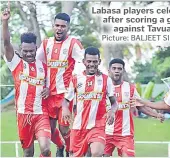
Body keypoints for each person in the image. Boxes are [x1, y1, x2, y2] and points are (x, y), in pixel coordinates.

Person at [2, 6, 51, 157]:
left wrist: (48, 90)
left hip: (41, 114)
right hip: (23, 115)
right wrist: (5, 22)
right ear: (21, 50)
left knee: (46, 149)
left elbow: (48, 86)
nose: (29, 54)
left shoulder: (43, 67)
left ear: (36, 49)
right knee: (28, 153)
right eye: (25, 51)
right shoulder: (15, 63)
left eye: (31, 51)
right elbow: (6, 43)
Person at [36, 12, 84, 156]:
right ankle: (61, 145)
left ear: (68, 28)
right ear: (53, 26)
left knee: (64, 129)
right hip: (49, 95)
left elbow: (83, 63)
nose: (59, 29)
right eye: (57, 25)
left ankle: (70, 150)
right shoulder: (46, 43)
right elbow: (38, 63)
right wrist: (43, 85)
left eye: (63, 26)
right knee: (49, 130)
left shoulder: (74, 43)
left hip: (65, 96)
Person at [61, 47, 118, 157]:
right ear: (84, 62)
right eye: (89, 61)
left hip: (97, 125)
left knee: (96, 153)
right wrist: (64, 109)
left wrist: (112, 111)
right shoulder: (75, 79)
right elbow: (66, 100)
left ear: (99, 62)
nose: (92, 64)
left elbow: (114, 103)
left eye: (95, 61)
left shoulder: (106, 80)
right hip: (78, 127)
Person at [104, 58, 165, 157]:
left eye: (119, 68)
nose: (116, 71)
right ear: (109, 70)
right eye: (114, 68)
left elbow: (140, 107)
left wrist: (156, 114)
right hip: (105, 132)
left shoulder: (130, 88)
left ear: (123, 71)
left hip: (125, 134)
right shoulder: (103, 87)